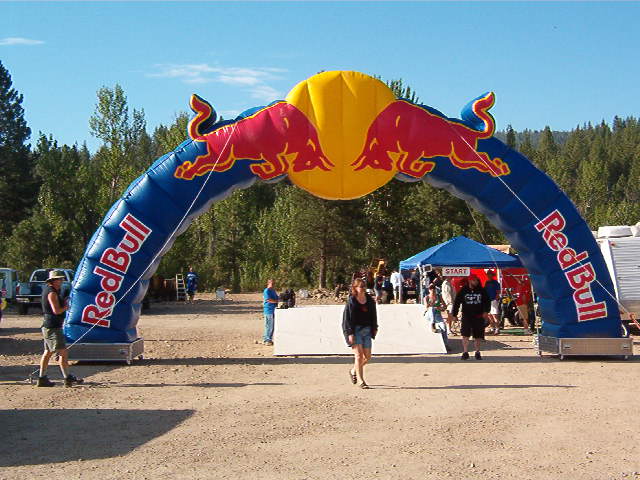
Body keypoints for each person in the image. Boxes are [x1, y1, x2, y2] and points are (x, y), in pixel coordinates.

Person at [37, 270, 83, 387]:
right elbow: (56, 310)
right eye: (59, 279)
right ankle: (67, 377)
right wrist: (66, 307)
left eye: (61, 279)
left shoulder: (53, 291)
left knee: (48, 352)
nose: (61, 281)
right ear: (53, 281)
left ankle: (42, 377)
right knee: (63, 352)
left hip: (50, 326)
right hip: (52, 327)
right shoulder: (51, 292)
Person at [342, 278, 378, 389]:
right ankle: (361, 381)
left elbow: (373, 314)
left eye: (364, 286)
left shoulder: (370, 300)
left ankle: (353, 371)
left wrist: (375, 327)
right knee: (358, 356)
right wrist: (350, 333)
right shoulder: (352, 301)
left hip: (367, 330)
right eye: (360, 286)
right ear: (355, 288)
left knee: (367, 357)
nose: (363, 288)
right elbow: (346, 319)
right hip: (355, 330)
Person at [452, 274, 490, 361]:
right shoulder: (463, 290)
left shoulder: (482, 290)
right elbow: (457, 302)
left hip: (478, 316)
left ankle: (477, 352)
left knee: (478, 335)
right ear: (469, 281)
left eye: (476, 280)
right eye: (474, 280)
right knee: (465, 334)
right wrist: (454, 314)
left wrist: (486, 311)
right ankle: (465, 352)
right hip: (466, 316)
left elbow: (487, 301)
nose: (476, 282)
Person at [424, 284, 449, 350]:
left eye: (433, 288)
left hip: (437, 315)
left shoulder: (439, 296)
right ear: (429, 290)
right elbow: (426, 308)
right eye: (431, 288)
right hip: (429, 315)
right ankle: (432, 324)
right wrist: (435, 306)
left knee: (444, 327)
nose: (432, 290)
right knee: (432, 309)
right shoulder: (426, 297)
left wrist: (440, 308)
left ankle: (446, 344)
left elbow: (445, 306)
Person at [484, 270, 501, 334]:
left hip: (493, 300)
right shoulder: (487, 282)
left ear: (492, 275)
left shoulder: (495, 282)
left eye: (490, 274)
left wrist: (496, 299)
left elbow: (498, 292)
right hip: (488, 301)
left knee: (495, 315)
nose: (488, 275)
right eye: (488, 274)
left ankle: (497, 329)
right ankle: (492, 328)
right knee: (490, 315)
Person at [262, 279, 279, 345]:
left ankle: (269, 339)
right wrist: (277, 302)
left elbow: (277, 298)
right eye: (272, 283)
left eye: (274, 283)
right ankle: (266, 339)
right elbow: (268, 299)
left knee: (272, 326)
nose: (273, 284)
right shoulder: (267, 290)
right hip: (268, 310)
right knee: (269, 325)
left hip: (273, 309)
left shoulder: (273, 290)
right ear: (268, 283)